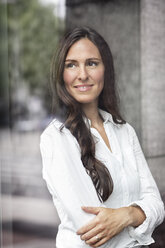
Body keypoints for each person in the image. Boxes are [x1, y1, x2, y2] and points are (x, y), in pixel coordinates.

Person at [40, 27, 164, 248]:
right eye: (71, 65)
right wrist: (139, 215)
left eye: (92, 63)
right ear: (61, 73)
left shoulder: (124, 131)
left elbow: (156, 204)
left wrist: (127, 215)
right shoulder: (56, 137)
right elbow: (93, 230)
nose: (83, 74)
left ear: (105, 69)